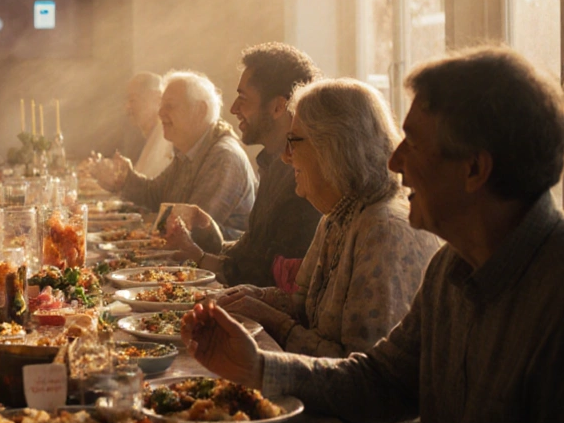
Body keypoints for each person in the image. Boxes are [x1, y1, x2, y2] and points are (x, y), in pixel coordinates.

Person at [181, 47, 564, 423]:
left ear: (474, 169)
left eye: (413, 144)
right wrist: (258, 367)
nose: (395, 163)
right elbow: (383, 381)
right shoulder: (455, 265)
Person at [214, 78, 439, 358]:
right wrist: (254, 297)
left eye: (293, 142)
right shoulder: (339, 213)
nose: (285, 157)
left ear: (334, 146)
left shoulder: (383, 230)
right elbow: (304, 303)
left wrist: (271, 320)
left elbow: (357, 371)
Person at [164, 44, 322, 288]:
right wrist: (208, 233)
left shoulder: (301, 178)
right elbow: (252, 248)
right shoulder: (272, 163)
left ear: (279, 106)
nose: (233, 108)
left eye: (243, 98)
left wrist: (199, 255)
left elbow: (263, 276)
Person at [91, 70, 255, 238]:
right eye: (161, 105)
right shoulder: (190, 150)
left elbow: (192, 228)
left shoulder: (223, 157)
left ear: (200, 110)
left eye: (169, 105)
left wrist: (145, 234)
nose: (160, 112)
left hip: (220, 263)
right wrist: (123, 179)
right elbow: (155, 195)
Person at [124, 72, 173, 178]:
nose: (127, 107)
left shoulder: (167, 140)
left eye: (133, 100)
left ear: (157, 99)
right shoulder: (152, 133)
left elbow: (150, 190)